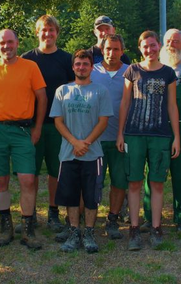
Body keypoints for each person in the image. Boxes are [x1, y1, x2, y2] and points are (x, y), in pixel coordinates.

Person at [0, 29, 48, 250]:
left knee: (27, 179)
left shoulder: (30, 67)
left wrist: (38, 128)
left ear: (17, 42)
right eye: (2, 43)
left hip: (23, 131)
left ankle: (27, 229)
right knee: (1, 181)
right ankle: (5, 226)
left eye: (10, 42)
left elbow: (42, 97)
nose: (7, 46)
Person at [116, 31, 180, 251]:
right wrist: (120, 133)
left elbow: (172, 106)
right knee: (134, 182)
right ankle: (134, 229)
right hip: (134, 134)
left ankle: (156, 227)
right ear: (139, 47)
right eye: (145, 46)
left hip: (160, 135)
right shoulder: (132, 70)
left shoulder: (168, 73)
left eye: (153, 45)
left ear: (159, 45)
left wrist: (176, 137)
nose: (149, 50)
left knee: (157, 183)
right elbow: (124, 104)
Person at [142, 29, 181, 235]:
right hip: (157, 127)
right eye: (168, 41)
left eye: (177, 41)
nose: (172, 44)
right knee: (153, 173)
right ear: (162, 44)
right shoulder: (155, 67)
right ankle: (150, 217)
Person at [51, 50, 113, 254]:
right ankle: (74, 232)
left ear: (90, 67)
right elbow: (58, 121)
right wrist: (74, 142)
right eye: (78, 64)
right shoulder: (62, 91)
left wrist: (85, 143)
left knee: (90, 196)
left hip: (92, 153)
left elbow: (103, 121)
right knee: (70, 196)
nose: (81, 67)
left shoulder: (100, 91)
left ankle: (89, 233)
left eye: (85, 64)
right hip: (68, 153)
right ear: (73, 67)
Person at [22, 15, 74, 233]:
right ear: (37, 32)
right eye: (44, 30)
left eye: (52, 30)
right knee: (30, 172)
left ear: (57, 33)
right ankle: (30, 214)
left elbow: (74, 90)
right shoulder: (26, 59)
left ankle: (53, 212)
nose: (48, 34)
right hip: (30, 124)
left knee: (56, 172)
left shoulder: (66, 59)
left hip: (57, 125)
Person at [90, 34, 130, 240]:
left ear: (122, 51)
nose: (111, 53)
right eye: (107, 49)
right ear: (102, 50)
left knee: (119, 181)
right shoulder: (91, 71)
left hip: (120, 138)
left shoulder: (130, 72)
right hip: (95, 138)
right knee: (94, 183)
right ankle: (88, 220)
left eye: (115, 49)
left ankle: (112, 219)